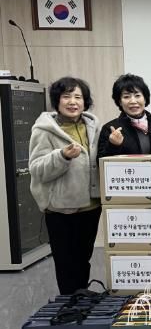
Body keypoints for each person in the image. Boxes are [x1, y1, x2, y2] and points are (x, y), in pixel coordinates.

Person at [28, 77, 101, 294]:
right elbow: (37, 168)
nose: (72, 102)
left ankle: (81, 297)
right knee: (66, 262)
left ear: (85, 101)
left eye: (78, 97)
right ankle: (69, 302)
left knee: (83, 258)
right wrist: (62, 156)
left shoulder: (93, 126)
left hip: (91, 206)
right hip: (60, 209)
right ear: (57, 101)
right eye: (66, 96)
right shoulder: (44, 129)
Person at [97, 73, 151, 159]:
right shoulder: (110, 128)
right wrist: (113, 145)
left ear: (145, 98)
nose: (133, 101)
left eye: (137, 95)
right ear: (120, 102)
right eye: (126, 97)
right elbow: (100, 162)